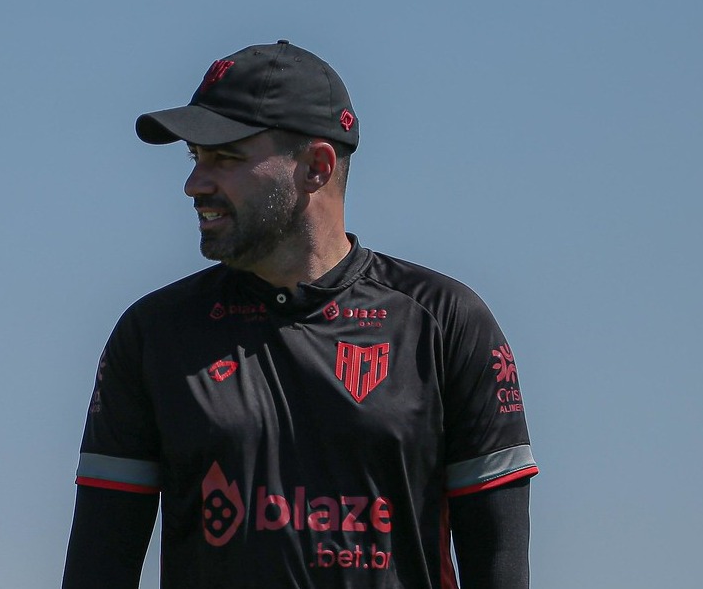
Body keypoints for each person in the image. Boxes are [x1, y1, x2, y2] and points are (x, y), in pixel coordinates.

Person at [62, 40, 538, 589]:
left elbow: (500, 568)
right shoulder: (153, 334)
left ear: (316, 167)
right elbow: (98, 568)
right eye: (195, 158)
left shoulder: (446, 322)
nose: (195, 184)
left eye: (225, 158)